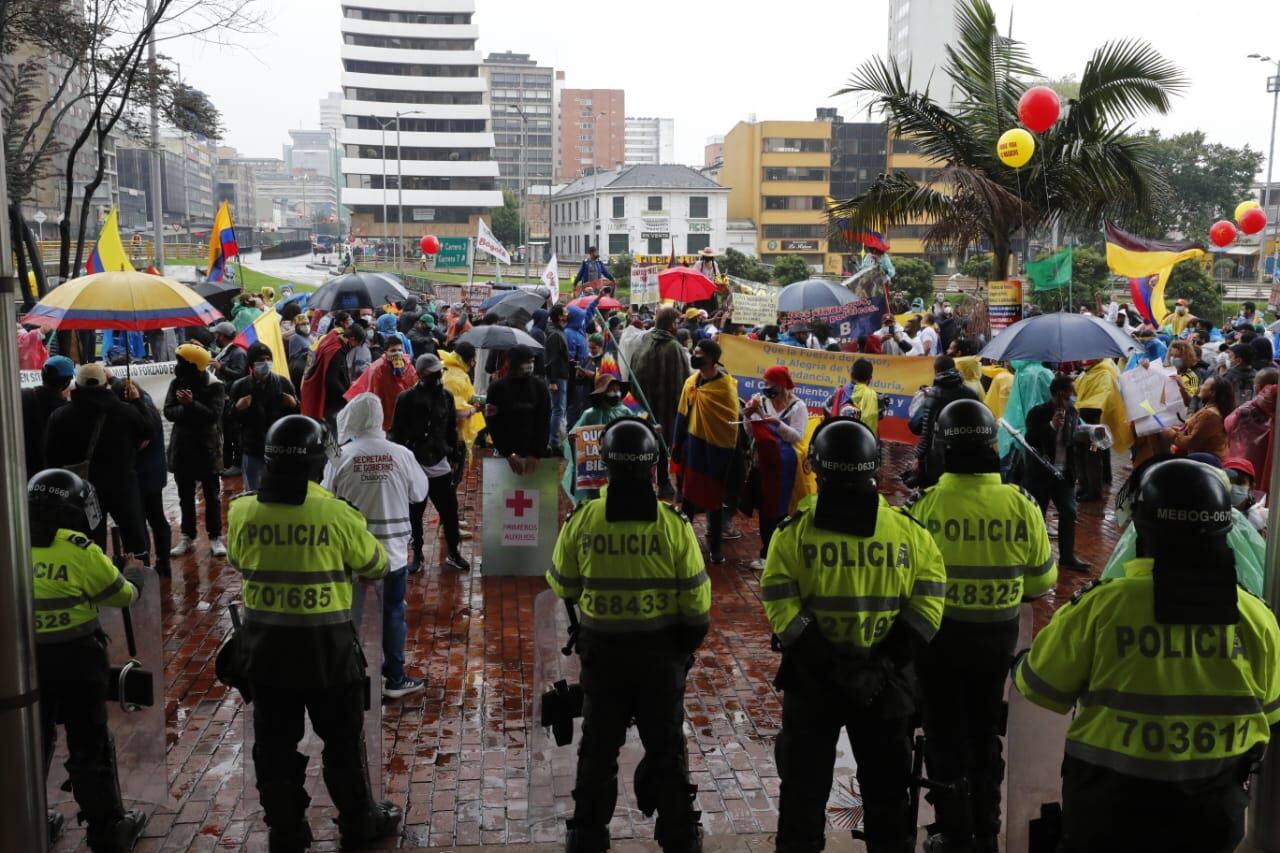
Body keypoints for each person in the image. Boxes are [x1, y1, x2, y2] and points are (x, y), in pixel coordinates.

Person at [1013, 458, 1280, 853]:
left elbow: (1038, 686)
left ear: (1142, 527)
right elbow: (1270, 712)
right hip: (1210, 819)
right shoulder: (1259, 619)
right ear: (1226, 526)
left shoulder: (1100, 608)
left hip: (1108, 813)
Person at [761, 417, 946, 853]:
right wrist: (883, 665)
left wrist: (828, 665)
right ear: (873, 469)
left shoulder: (794, 535)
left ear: (818, 471)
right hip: (884, 687)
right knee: (887, 798)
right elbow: (930, 603)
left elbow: (779, 603)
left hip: (813, 684)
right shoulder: (908, 533)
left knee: (803, 796)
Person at [226, 416, 399, 851]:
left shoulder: (242, 509)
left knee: (274, 746)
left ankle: (286, 831)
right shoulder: (335, 513)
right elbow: (376, 565)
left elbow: (236, 559)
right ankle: (359, 821)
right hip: (328, 653)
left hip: (264, 653)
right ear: (318, 463)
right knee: (342, 742)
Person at [545, 417, 710, 853]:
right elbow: (697, 608)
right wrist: (679, 652)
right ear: (652, 469)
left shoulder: (584, 521)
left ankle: (587, 835)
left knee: (598, 752)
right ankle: (679, 836)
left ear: (607, 467)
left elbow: (564, 584)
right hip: (661, 663)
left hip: (603, 661)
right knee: (668, 752)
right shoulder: (674, 527)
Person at [909, 401, 1056, 853]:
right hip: (997, 639)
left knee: (943, 732)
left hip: (939, 640)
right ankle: (987, 831)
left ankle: (953, 834)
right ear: (992, 444)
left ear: (943, 448)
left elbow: (907, 583)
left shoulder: (925, 507)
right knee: (986, 729)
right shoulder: (1020, 504)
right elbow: (1042, 580)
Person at [28, 469, 148, 851]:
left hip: (25, 662)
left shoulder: (11, 542)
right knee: (89, 742)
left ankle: (25, 818)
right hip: (78, 661)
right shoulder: (79, 549)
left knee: (30, 740)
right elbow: (122, 595)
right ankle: (106, 828)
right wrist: (132, 575)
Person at [325, 393, 429, 698]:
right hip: (392, 555)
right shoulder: (400, 454)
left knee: (349, 617)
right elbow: (419, 493)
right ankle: (395, 678)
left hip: (352, 554)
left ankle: (347, 680)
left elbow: (325, 496)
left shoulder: (339, 456)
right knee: (394, 612)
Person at [45, 362, 151, 564]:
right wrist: (137, 402)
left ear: (77, 385)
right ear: (105, 385)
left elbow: (51, 456)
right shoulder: (125, 411)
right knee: (134, 538)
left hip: (83, 489)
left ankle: (95, 582)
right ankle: (139, 581)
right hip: (122, 485)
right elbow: (148, 430)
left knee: (90, 542)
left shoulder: (60, 416)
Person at [390, 353, 469, 573]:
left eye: (438, 371)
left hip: (439, 461)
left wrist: (453, 455)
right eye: (431, 372)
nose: (436, 376)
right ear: (421, 373)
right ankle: (417, 555)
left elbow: (451, 427)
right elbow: (396, 431)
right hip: (413, 463)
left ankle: (453, 552)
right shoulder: (406, 398)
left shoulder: (446, 396)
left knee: (450, 511)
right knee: (414, 513)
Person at [671, 340, 740, 564]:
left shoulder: (725, 387)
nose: (694, 355)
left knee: (714, 498)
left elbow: (730, 423)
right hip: (693, 446)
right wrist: (677, 444)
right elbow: (682, 415)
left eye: (698, 353)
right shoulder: (691, 382)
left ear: (710, 358)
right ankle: (685, 541)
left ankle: (715, 546)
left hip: (717, 449)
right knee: (688, 495)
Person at [744, 365, 812, 571]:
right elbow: (750, 432)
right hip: (762, 461)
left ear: (781, 385)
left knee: (782, 507)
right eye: (764, 384)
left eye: (769, 384)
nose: (765, 388)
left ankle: (782, 553)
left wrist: (776, 423)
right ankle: (766, 552)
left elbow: (797, 436)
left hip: (785, 465)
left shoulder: (797, 406)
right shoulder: (761, 402)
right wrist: (748, 415)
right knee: (765, 508)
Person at [164, 344, 227, 559]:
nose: (178, 366)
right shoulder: (176, 384)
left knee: (212, 496)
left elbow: (213, 415)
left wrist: (192, 405)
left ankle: (215, 536)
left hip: (207, 448)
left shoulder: (215, 386)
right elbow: (169, 411)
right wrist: (184, 407)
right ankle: (187, 536)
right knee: (185, 496)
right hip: (183, 448)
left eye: (183, 362)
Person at [1022, 374, 1091, 571]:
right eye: (1072, 392)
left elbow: (1075, 439)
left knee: (1069, 512)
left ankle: (1067, 556)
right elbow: (1030, 439)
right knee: (1037, 516)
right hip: (1040, 475)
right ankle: (1034, 557)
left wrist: (1090, 438)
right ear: (1060, 394)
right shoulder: (1038, 413)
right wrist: (1052, 426)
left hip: (1064, 474)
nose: (1075, 396)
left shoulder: (1073, 413)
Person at [630, 307, 693, 499]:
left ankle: (653, 481)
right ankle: (666, 483)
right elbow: (684, 381)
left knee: (649, 443)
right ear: (670, 324)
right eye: (676, 322)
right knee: (669, 445)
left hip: (645, 405)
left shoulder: (645, 340)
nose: (678, 325)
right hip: (667, 408)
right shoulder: (673, 347)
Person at [230, 343, 299, 491]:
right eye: (261, 360)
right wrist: (237, 408)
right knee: (253, 493)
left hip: (279, 448)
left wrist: (294, 405)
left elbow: (296, 416)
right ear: (252, 364)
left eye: (269, 359)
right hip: (252, 449)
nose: (266, 363)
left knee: (279, 491)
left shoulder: (283, 383)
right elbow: (230, 419)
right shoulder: (240, 386)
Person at [563, 370, 632, 505]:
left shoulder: (624, 411)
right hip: (596, 466)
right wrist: (573, 439)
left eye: (617, 390)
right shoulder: (590, 414)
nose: (616, 393)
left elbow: (637, 428)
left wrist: (652, 429)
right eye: (611, 390)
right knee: (596, 497)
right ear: (602, 393)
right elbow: (573, 434)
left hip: (617, 462)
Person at [911, 356, 981, 489]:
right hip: (965, 452)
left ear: (936, 371)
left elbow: (926, 430)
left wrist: (918, 458)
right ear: (954, 369)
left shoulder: (935, 394)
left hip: (939, 455)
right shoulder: (970, 392)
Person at [485, 346, 551, 477]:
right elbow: (493, 424)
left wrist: (536, 454)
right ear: (514, 363)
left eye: (532, 361)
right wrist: (508, 453)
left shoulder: (540, 387)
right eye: (526, 362)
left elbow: (544, 421)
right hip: (504, 456)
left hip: (533, 458)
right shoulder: (496, 388)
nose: (530, 365)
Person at [1072, 358, 1130, 502]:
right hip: (1081, 420)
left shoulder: (1105, 374)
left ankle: (1094, 491)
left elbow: (1105, 396)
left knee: (1092, 456)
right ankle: (1084, 485)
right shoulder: (1086, 374)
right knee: (1080, 455)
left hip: (1094, 421)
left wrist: (1086, 407)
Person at [343, 337, 417, 432]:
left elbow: (413, 384)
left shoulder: (407, 365)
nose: (397, 353)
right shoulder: (378, 369)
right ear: (386, 352)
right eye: (393, 350)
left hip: (402, 409)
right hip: (385, 409)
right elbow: (374, 393)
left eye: (400, 350)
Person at [22, 354, 74, 477]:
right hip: (50, 472)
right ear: (67, 382)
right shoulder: (66, 410)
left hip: (22, 466)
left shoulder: (23, 396)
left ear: (42, 374)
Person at [1225, 368, 1277, 492]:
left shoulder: (1246, 410)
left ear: (1258, 387)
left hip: (1243, 469)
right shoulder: (1276, 410)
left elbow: (1228, 424)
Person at [301, 321, 357, 434]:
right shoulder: (337, 351)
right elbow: (332, 379)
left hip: (329, 399)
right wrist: (347, 396)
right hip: (332, 402)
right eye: (357, 344)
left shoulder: (334, 339)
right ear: (352, 339)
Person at [1163, 375, 1233, 460]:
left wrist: (1172, 435)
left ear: (1213, 393)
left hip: (1207, 462)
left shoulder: (1211, 415)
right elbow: (1198, 433)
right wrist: (1183, 430)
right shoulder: (1210, 408)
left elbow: (1191, 443)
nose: (1200, 387)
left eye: (1204, 385)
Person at [212, 321, 248, 477]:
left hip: (233, 400)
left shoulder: (238, 353)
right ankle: (227, 464)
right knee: (226, 433)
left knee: (234, 433)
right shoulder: (227, 351)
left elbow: (240, 375)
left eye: (217, 335)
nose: (215, 337)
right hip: (224, 399)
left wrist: (222, 368)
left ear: (223, 336)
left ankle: (237, 464)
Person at [825, 358, 879, 434]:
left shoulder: (839, 391)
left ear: (851, 375)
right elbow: (871, 420)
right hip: (861, 437)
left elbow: (825, 406)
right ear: (870, 378)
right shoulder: (872, 395)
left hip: (837, 433)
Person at [545, 304, 572, 450]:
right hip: (558, 377)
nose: (568, 314)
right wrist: (553, 380)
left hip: (562, 375)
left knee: (558, 409)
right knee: (558, 409)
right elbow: (551, 359)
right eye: (565, 312)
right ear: (560, 316)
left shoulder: (559, 331)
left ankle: (553, 439)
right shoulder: (555, 334)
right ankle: (554, 442)